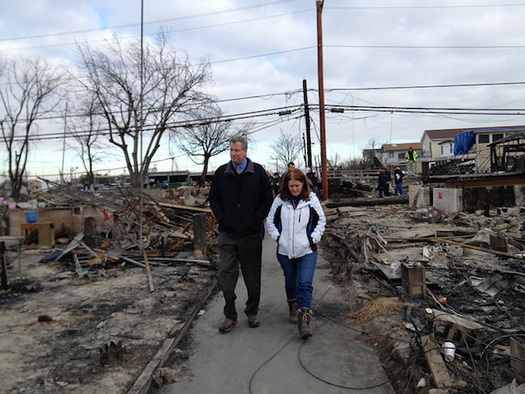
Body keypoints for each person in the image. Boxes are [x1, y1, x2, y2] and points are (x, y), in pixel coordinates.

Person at [209, 135, 273, 333]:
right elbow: (214, 199)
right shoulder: (222, 173)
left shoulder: (258, 172)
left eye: (237, 150)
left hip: (251, 234)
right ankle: (230, 315)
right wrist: (222, 218)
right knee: (226, 277)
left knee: (252, 278)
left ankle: (252, 311)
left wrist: (255, 219)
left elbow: (267, 199)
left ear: (245, 151)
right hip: (228, 234)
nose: (233, 153)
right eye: (231, 150)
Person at [266, 168, 326, 339]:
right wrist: (278, 237)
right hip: (285, 251)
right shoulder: (279, 200)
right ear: (286, 185)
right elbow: (270, 221)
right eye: (291, 186)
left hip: (307, 250)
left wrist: (312, 239)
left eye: (297, 185)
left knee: (304, 282)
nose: (294, 189)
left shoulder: (311, 200)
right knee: (291, 281)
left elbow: (321, 220)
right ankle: (293, 304)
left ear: (303, 184)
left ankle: (304, 320)